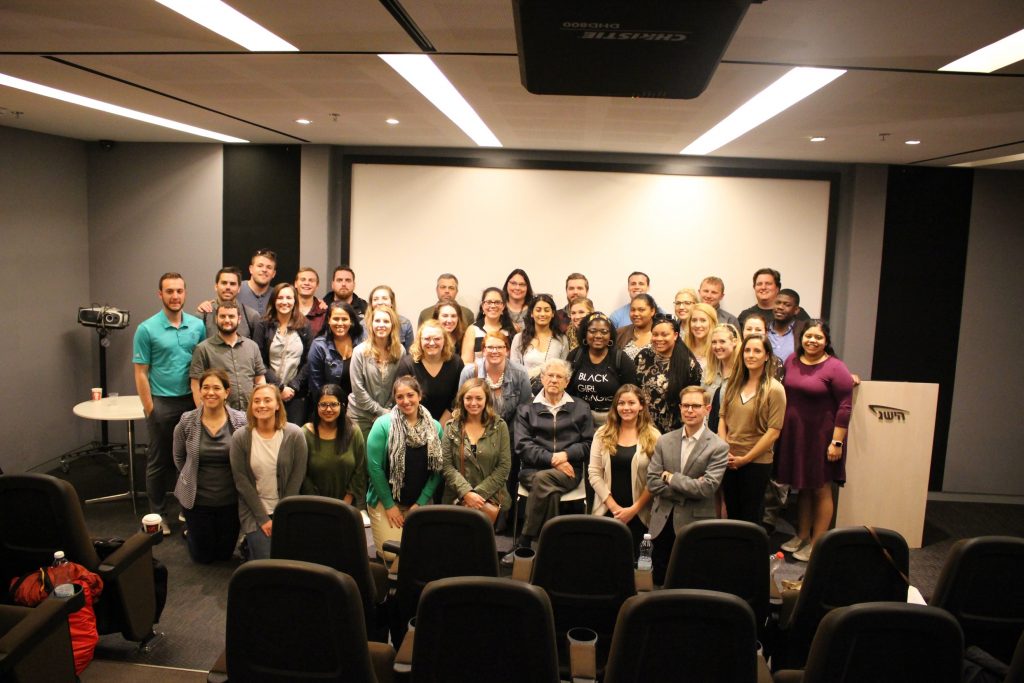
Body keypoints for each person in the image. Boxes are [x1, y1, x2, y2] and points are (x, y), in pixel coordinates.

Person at [775, 320, 854, 563]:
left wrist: (837, 442)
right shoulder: (792, 361)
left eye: (818, 337)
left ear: (826, 341)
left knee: (821, 488)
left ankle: (818, 543)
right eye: (808, 336)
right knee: (804, 487)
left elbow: (845, 405)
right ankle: (802, 535)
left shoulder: (835, 367)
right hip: (796, 435)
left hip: (823, 437)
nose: (812, 341)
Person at [134, 272, 206, 535]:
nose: (175, 296)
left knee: (189, 458)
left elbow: (201, 366)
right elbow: (141, 372)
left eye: (179, 291)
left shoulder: (197, 326)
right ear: (160, 294)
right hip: (161, 401)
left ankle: (185, 509)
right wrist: (150, 409)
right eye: (169, 291)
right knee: (158, 460)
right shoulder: (146, 329)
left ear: (185, 293)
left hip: (190, 400)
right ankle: (157, 514)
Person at [506, 358, 594, 563]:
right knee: (547, 487)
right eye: (550, 375)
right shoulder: (526, 409)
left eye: (559, 376)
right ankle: (552, 548)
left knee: (543, 482)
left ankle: (525, 543)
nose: (554, 380)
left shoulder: (581, 408)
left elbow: (589, 443)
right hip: (532, 470)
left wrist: (566, 455)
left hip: (569, 471)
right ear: (542, 378)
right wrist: (553, 459)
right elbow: (522, 446)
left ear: (567, 381)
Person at [646, 385, 729, 585]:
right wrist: (688, 488)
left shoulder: (718, 447)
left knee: (690, 580)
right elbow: (652, 482)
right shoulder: (664, 440)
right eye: (685, 406)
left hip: (694, 524)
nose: (689, 410)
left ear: (707, 409)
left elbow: (707, 488)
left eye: (695, 406)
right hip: (662, 522)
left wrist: (671, 478)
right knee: (658, 580)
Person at [365, 376, 444, 566]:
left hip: (419, 502)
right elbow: (374, 468)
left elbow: (437, 470)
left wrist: (421, 503)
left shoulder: (435, 427)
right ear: (394, 399)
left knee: (420, 552)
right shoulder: (383, 425)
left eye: (410, 395)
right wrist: (390, 505)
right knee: (393, 554)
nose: (406, 401)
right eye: (400, 397)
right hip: (386, 502)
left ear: (419, 396)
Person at [172, 368, 248, 563]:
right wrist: (189, 478)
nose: (210, 392)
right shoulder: (187, 420)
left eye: (216, 388)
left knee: (224, 556)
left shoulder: (240, 421)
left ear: (226, 392)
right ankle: (190, 531)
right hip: (197, 502)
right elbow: (179, 458)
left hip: (230, 501)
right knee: (203, 558)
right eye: (205, 387)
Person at [229, 384, 307, 560]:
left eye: (267, 400)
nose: (261, 405)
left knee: (291, 559)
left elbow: (297, 476)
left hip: (287, 508)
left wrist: (282, 515)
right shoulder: (240, 437)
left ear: (278, 405)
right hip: (255, 511)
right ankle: (249, 544)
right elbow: (241, 481)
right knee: (265, 560)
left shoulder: (294, 434)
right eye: (256, 401)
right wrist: (263, 519)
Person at [459, 332, 534, 510]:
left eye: (500, 347)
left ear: (507, 350)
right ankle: (474, 508)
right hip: (475, 431)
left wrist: (507, 439)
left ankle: (500, 516)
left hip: (509, 432)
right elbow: (461, 404)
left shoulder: (519, 373)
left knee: (504, 475)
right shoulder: (470, 371)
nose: (495, 351)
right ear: (483, 350)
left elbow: (524, 410)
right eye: (490, 347)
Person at [718, 334, 786, 527]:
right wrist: (725, 450)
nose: (751, 355)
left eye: (757, 351)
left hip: (756, 462)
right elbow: (722, 419)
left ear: (767, 356)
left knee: (750, 517)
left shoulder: (775, 389)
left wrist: (745, 459)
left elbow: (773, 431)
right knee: (732, 512)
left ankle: (749, 557)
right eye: (747, 350)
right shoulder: (733, 384)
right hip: (730, 460)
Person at [588, 384, 658, 557]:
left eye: (631, 403)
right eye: (621, 403)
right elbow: (594, 472)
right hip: (607, 509)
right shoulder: (602, 433)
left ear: (641, 405)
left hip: (640, 513)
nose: (626, 408)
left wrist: (633, 510)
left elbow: (655, 479)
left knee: (635, 564)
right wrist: (614, 508)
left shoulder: (654, 436)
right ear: (615, 406)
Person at [441, 379, 512, 524]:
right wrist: (466, 493)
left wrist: (477, 495)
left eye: (479, 398)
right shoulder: (451, 427)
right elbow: (446, 466)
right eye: (468, 398)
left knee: (483, 544)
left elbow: (504, 467)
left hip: (490, 500)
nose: (473, 403)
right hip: (457, 499)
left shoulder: (499, 426)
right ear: (462, 400)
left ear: (487, 400)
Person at [252, 283, 312, 425]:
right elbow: (258, 359)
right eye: (280, 298)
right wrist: (279, 387)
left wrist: (293, 386)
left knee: (292, 437)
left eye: (289, 298)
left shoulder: (305, 325)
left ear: (294, 301)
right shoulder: (263, 324)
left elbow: (309, 360)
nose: (284, 302)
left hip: (296, 394)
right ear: (274, 301)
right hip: (268, 392)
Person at [190, 302, 266, 410]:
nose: (227, 320)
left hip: (250, 413)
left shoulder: (252, 346)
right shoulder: (203, 349)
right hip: (218, 415)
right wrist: (202, 413)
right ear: (216, 319)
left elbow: (260, 380)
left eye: (231, 316)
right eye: (222, 316)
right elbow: (195, 385)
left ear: (239, 319)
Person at [634, 316, 703, 434]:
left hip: (676, 428)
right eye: (655, 334)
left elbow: (693, 398)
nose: (659, 338)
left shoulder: (688, 364)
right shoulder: (643, 356)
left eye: (664, 335)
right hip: (644, 425)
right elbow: (634, 388)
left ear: (675, 335)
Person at [566, 312, 638, 426]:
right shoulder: (575, 356)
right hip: (578, 418)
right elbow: (566, 390)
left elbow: (632, 392)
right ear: (585, 333)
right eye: (593, 331)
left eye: (604, 332)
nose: (598, 335)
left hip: (611, 420)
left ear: (610, 336)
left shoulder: (621, 359)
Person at [301, 384, 367, 505]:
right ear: (316, 406)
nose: (328, 409)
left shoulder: (353, 431)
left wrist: (346, 501)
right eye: (323, 405)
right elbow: (302, 473)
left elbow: (360, 469)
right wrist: (318, 502)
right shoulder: (305, 433)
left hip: (348, 505)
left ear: (342, 406)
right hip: (313, 504)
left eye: (333, 404)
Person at [349, 306, 405, 437]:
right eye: (377, 321)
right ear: (371, 324)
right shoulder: (359, 351)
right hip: (361, 415)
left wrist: (387, 411)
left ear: (393, 325)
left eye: (386, 321)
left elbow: (399, 385)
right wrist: (380, 411)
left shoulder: (400, 351)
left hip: (389, 414)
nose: (381, 325)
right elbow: (358, 389)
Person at [396, 320, 465, 425]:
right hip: (414, 423)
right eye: (427, 339)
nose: (432, 343)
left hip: (447, 423)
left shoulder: (456, 363)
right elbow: (404, 399)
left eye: (437, 339)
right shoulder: (407, 364)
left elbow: (457, 398)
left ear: (445, 340)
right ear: (419, 341)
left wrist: (440, 427)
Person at [306, 302, 364, 402]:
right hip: (329, 405)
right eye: (336, 319)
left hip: (358, 405)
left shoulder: (362, 342)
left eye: (344, 319)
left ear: (351, 321)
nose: (340, 323)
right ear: (329, 320)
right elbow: (316, 385)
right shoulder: (319, 346)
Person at [511, 293, 569, 391]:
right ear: (532, 314)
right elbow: (514, 370)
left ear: (553, 313)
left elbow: (564, 370)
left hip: (553, 392)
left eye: (547, 310)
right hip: (525, 392)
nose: (542, 314)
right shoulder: (519, 338)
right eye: (538, 310)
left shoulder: (562, 339)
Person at [198, 266, 259, 338]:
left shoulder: (251, 316)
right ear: (216, 286)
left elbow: (256, 347)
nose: (228, 287)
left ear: (239, 288)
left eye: (232, 284)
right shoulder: (202, 315)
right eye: (224, 283)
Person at [738, 267, 810, 328]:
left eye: (768, 284)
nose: (763, 287)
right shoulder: (745, 315)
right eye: (759, 284)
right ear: (754, 287)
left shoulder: (794, 312)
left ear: (777, 288)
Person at [705, 323, 741, 434]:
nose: (717, 346)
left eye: (722, 341)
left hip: (732, 435)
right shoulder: (708, 370)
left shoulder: (742, 373)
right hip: (706, 435)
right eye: (714, 342)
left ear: (734, 342)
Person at [467, 287, 516, 362]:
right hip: (478, 373)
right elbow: (466, 362)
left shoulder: (511, 329)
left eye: (497, 302)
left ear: (503, 306)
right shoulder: (472, 330)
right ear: (482, 305)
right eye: (489, 302)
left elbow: (515, 361)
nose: (493, 306)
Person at [368, 284, 415, 351]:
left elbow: (410, 354)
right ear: (371, 303)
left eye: (384, 298)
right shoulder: (362, 325)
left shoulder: (405, 324)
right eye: (375, 299)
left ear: (392, 302)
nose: (380, 302)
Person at [615, 293, 658, 361]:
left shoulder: (661, 334)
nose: (636, 314)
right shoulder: (620, 333)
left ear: (652, 311)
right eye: (633, 310)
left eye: (641, 310)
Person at [768, 288, 805, 362]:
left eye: (787, 305)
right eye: (777, 303)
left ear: (796, 310)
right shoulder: (764, 329)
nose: (780, 307)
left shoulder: (804, 330)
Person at [236, 248, 277, 314]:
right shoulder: (236, 288)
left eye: (269, 267)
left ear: (274, 273)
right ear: (251, 269)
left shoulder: (277, 294)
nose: (264, 270)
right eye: (260, 266)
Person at [683, 302, 718, 371]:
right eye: (694, 320)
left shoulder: (717, 349)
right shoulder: (683, 347)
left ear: (712, 323)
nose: (698, 325)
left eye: (703, 320)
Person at [294, 267, 327, 338]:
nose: (306, 283)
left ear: (317, 285)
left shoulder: (324, 313)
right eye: (303, 280)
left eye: (311, 280)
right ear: (296, 284)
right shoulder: (287, 309)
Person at [502, 268, 535, 333]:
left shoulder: (534, 308)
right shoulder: (498, 306)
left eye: (522, 284)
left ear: (527, 287)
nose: (517, 288)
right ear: (507, 284)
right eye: (513, 283)